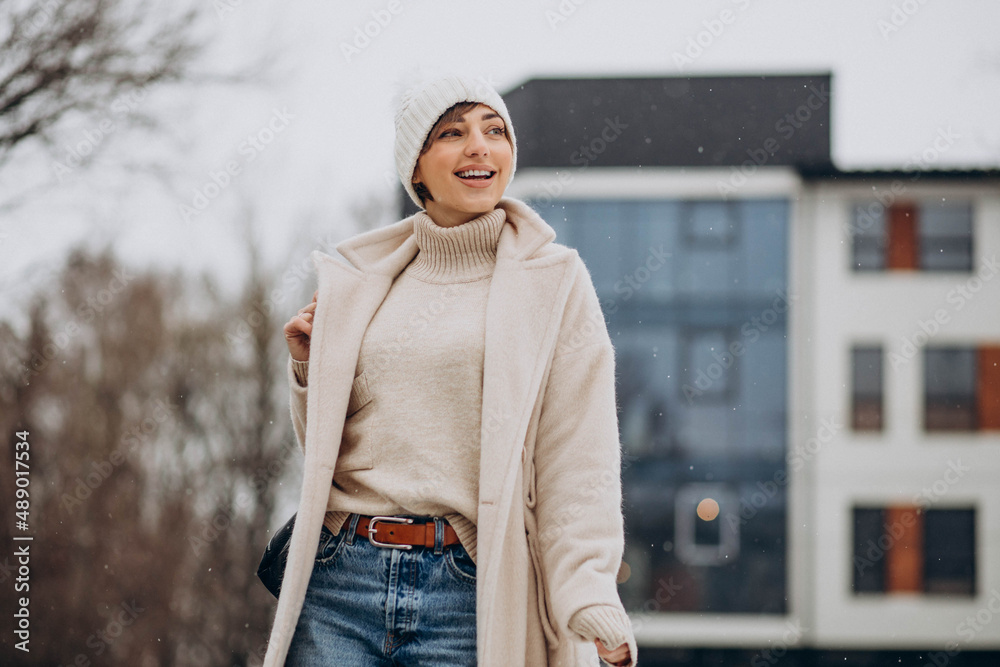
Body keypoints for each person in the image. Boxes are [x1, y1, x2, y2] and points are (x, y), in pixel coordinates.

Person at [262, 74, 637, 666]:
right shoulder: (364, 281)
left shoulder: (555, 281)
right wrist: (311, 371)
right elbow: (328, 456)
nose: (479, 147)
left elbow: (579, 452)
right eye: (453, 133)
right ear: (416, 167)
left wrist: (588, 590)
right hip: (341, 577)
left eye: (495, 131)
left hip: (467, 590)